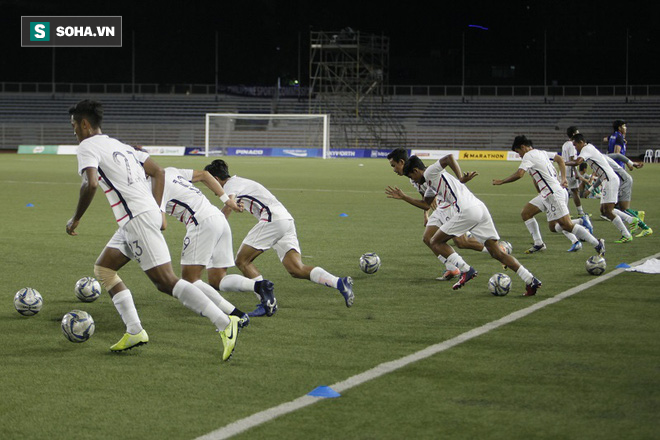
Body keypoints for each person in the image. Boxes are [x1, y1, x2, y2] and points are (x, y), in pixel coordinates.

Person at [65, 100, 239, 361]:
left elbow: (90, 184)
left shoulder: (87, 146)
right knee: (104, 269)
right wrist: (157, 209)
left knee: (166, 281)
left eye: (74, 125)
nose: (74, 131)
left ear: (85, 124)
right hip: (135, 218)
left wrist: (76, 218)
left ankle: (224, 322)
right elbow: (158, 171)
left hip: (136, 219)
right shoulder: (121, 146)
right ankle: (135, 330)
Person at [204, 159, 354, 314]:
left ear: (215, 179)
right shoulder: (240, 182)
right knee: (296, 269)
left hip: (273, 219)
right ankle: (340, 283)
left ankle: (267, 302)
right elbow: (235, 203)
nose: (211, 189)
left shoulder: (230, 184)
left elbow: (229, 205)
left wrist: (213, 228)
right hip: (286, 220)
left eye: (209, 183)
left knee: (242, 261)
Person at [403, 154, 542, 296]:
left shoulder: (430, 171)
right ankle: (530, 279)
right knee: (496, 252)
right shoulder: (431, 182)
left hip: (466, 211)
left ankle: (465, 269)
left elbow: (449, 158)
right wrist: (404, 197)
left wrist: (461, 177)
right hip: (480, 209)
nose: (413, 180)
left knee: (435, 241)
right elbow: (426, 203)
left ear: (416, 170)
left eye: (411, 176)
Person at [157, 164, 279, 322]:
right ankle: (258, 285)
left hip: (201, 223)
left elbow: (162, 223)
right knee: (217, 280)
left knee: (190, 280)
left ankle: (236, 316)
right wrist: (227, 202)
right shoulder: (170, 171)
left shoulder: (152, 186)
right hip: (218, 218)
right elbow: (205, 175)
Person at [385, 151, 492, 281]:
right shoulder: (413, 178)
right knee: (427, 238)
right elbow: (426, 201)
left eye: (393, 165)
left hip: (449, 205)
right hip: (441, 207)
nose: (393, 169)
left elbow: (447, 161)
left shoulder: (424, 173)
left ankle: (496, 249)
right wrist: (426, 215)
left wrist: (460, 178)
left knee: (461, 242)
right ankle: (452, 269)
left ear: (402, 162)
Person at [493, 135, 604, 256]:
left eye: (518, 152)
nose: (519, 155)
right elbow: (560, 159)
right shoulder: (542, 153)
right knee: (529, 214)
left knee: (566, 225)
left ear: (523, 147)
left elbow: (520, 174)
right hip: (548, 193)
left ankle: (597, 242)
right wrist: (562, 179)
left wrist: (502, 181)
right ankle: (539, 243)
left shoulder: (528, 156)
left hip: (553, 193)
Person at [567, 133, 639, 243]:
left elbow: (577, 162)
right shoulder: (589, 149)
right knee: (604, 210)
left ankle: (626, 233)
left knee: (608, 211)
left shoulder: (586, 149)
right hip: (607, 180)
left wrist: (563, 162)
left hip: (609, 180)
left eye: (575, 144)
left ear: (581, 142)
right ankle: (631, 220)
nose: (575, 147)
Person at [602, 153, 652, 237]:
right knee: (616, 207)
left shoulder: (599, 157)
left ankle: (646, 228)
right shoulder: (598, 158)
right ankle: (637, 214)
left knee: (623, 208)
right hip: (619, 181)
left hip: (623, 181)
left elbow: (618, 155)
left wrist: (631, 163)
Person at [561, 126, 587, 217]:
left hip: (564, 171)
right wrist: (576, 172)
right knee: (575, 191)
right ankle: (580, 212)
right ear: (573, 134)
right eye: (577, 132)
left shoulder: (565, 144)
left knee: (564, 192)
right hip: (570, 172)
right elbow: (572, 159)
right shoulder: (572, 144)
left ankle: (565, 212)